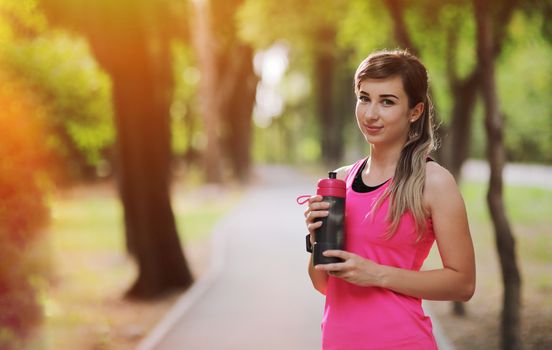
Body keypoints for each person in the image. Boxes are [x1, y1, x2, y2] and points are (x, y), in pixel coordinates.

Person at [303, 49, 476, 350]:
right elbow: (324, 284)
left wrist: (376, 274)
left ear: (415, 111)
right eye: (364, 97)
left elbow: (463, 284)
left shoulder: (433, 182)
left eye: (387, 101)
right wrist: (317, 237)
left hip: (401, 341)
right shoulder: (341, 180)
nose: (371, 114)